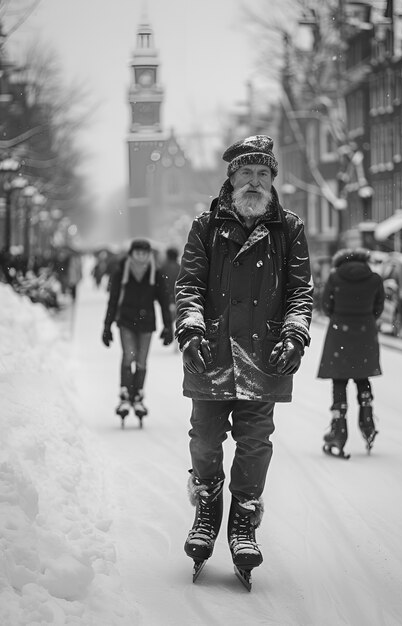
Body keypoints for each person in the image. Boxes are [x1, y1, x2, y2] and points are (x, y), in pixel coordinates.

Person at [175, 135, 313, 580]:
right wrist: (191, 327)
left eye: (263, 174)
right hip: (212, 354)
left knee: (255, 443)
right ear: (231, 178)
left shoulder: (288, 228)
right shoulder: (205, 226)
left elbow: (300, 293)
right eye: (246, 173)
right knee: (205, 439)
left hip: (263, 355)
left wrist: (294, 334)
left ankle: (243, 521)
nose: (254, 182)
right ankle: (208, 507)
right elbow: (189, 286)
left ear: (273, 181)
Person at [317, 248, 385, 458]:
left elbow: (326, 306)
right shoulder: (374, 279)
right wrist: (364, 317)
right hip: (365, 332)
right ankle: (367, 422)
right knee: (362, 376)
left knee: (339, 379)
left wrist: (341, 316)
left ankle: (339, 430)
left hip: (340, 334)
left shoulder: (335, 278)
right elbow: (378, 308)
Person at [102, 238, 173, 425]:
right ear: (131, 254)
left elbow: (164, 302)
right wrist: (106, 326)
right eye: (137, 253)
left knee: (141, 360)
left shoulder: (155, 273)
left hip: (147, 324)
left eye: (144, 253)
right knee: (129, 356)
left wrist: (168, 326)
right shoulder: (121, 272)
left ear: (149, 254)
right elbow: (113, 299)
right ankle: (126, 394)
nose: (141, 256)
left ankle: (138, 395)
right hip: (125, 321)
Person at [160, 247, 180, 323]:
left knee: (168, 321)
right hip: (177, 297)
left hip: (166, 297)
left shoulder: (163, 268)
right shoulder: (180, 267)